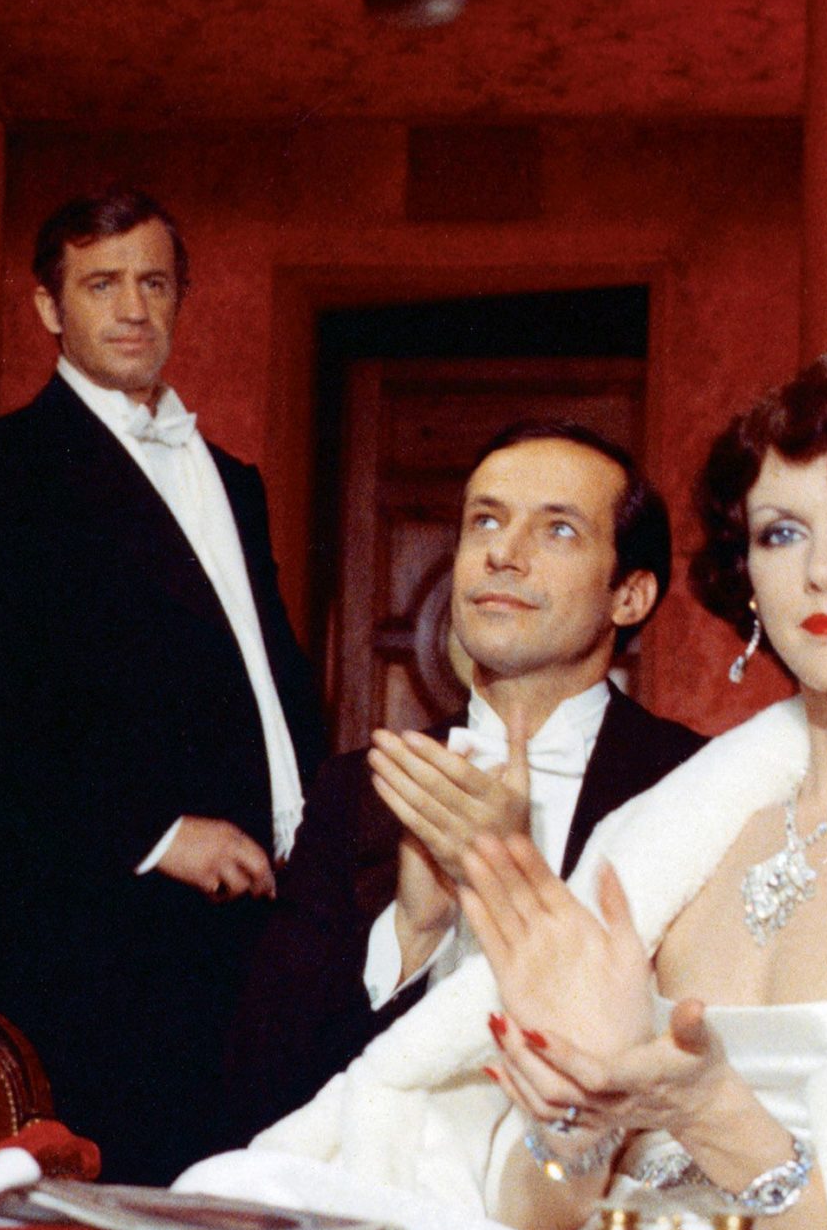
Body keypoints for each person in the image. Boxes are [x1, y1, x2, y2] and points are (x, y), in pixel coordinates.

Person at [239, 343, 827, 1230]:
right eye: (781, 534)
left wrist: (716, 1114)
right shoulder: (668, 834)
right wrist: (578, 1122)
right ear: (748, 577)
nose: (823, 570)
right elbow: (519, 1215)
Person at [0, 190, 326, 1184]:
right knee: (104, 1221)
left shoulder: (234, 479)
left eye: (154, 283)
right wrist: (160, 833)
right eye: (102, 285)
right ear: (49, 307)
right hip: (94, 928)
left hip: (258, 922)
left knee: (250, 1205)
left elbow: (264, 674)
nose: (133, 308)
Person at [221, 420, 704, 1143]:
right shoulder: (359, 790)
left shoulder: (691, 783)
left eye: (558, 530)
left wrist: (516, 885)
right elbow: (257, 1091)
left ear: (629, 596)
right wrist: (412, 933)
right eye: (486, 521)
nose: (503, 553)